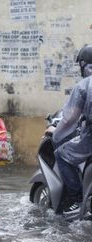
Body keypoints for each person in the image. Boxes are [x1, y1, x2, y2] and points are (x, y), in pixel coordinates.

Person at [46, 45, 92, 215]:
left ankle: (77, 200)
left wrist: (56, 134)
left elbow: (69, 119)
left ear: (83, 65)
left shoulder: (83, 86)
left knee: (61, 154)